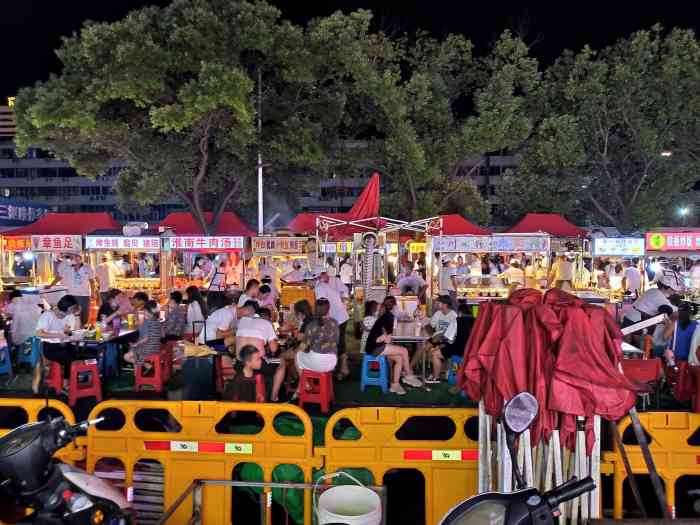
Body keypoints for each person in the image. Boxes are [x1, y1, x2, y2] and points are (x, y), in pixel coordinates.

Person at [365, 308, 423, 395]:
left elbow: (386, 340)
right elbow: (378, 340)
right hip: (374, 349)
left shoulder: (383, 320)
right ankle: (408, 375)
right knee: (404, 350)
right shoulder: (385, 322)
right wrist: (384, 337)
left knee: (399, 358)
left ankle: (395, 385)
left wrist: (386, 337)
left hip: (376, 347)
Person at [271, 300, 313, 401]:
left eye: (296, 313)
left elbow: (300, 337)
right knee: (289, 355)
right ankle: (297, 378)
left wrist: (292, 330)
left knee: (281, 356)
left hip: (306, 351)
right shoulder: (311, 318)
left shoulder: (307, 321)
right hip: (313, 351)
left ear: (300, 313)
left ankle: (297, 380)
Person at [36, 295, 81, 387]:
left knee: (76, 353)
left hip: (64, 345)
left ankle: (69, 379)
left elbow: (74, 330)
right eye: (74, 308)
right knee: (70, 356)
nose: (75, 309)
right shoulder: (48, 315)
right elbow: (38, 333)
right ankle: (67, 381)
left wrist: (77, 316)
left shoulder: (70, 315)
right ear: (69, 308)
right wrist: (58, 335)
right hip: (49, 347)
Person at [315, 271, 350, 380]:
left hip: (337, 317)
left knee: (338, 344)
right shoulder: (321, 285)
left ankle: (343, 370)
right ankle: (334, 367)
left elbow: (323, 306)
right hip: (339, 316)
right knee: (336, 343)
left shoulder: (319, 287)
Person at [413, 295, 458, 382]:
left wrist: (439, 343)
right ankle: (409, 370)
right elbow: (431, 326)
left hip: (448, 340)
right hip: (437, 337)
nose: (436, 304)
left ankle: (438, 374)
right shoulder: (438, 313)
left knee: (433, 352)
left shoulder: (453, 316)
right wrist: (430, 331)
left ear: (445, 304)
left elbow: (452, 336)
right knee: (422, 348)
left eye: (438, 302)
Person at [55, 254, 95, 326]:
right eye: (73, 257)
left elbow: (92, 281)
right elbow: (59, 277)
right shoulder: (67, 268)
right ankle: (71, 329)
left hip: (84, 295)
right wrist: (50, 285)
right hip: (71, 294)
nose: (75, 259)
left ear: (80, 258)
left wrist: (93, 292)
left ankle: (83, 328)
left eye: (77, 257)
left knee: (84, 314)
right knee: (71, 314)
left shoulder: (87, 267)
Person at [124, 300, 162, 371]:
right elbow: (162, 334)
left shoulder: (148, 322)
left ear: (148, 311)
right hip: (156, 347)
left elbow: (146, 338)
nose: (144, 313)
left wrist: (136, 344)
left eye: (144, 311)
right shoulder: (157, 321)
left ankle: (146, 367)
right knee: (133, 349)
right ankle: (144, 368)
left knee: (126, 356)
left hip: (148, 349)